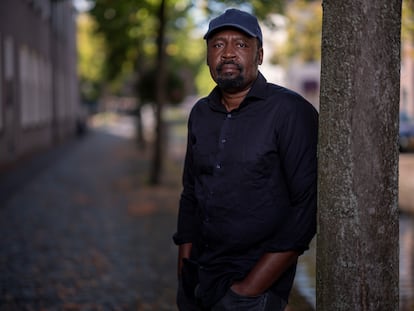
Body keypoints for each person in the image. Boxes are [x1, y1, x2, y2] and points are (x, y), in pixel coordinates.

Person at [173, 8, 318, 311]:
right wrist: (184, 269)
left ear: (260, 55)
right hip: (198, 279)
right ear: (207, 56)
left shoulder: (290, 112)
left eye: (240, 44)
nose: (227, 53)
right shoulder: (199, 113)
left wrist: (249, 289)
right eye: (217, 44)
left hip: (253, 290)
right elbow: (191, 192)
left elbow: (307, 207)